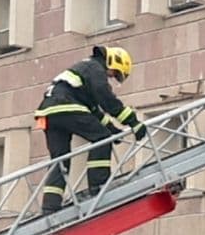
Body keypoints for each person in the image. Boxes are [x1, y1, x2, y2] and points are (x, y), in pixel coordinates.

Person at [34, 45, 147, 214]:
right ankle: (98, 186)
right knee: (102, 139)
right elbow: (106, 99)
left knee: (60, 160)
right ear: (111, 62)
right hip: (65, 106)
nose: (112, 78)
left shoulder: (83, 70)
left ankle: (50, 206)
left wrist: (112, 130)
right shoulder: (95, 68)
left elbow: (94, 110)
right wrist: (134, 122)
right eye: (114, 73)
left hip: (48, 113)